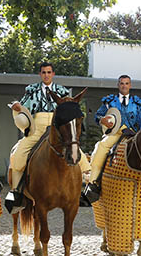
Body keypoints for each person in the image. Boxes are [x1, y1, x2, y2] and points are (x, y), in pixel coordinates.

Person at [7, 62, 90, 213]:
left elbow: (70, 109)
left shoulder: (62, 91)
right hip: (36, 128)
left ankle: (87, 186)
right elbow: (22, 106)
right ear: (40, 74)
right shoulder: (31, 90)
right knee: (18, 155)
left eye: (49, 72)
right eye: (44, 72)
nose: (46, 75)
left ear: (53, 74)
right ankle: (16, 193)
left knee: (78, 152)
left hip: (57, 128)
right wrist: (17, 106)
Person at [85, 75, 141, 201]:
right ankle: (93, 183)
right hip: (115, 133)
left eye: (126, 83)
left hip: (133, 134)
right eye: (122, 83)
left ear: (130, 85)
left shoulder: (138, 103)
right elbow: (98, 116)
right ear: (118, 85)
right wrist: (102, 120)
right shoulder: (110, 101)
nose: (124, 86)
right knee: (101, 146)